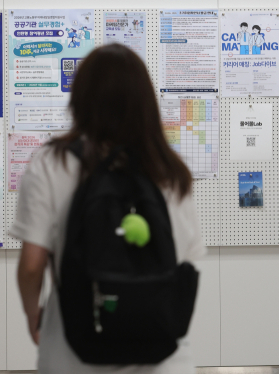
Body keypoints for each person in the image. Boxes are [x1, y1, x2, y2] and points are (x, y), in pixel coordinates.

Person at [10, 44, 205, 374]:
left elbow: (32, 266)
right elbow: (186, 264)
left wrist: (33, 314)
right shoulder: (170, 170)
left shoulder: (52, 162)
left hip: (73, 354)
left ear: (80, 99)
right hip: (162, 357)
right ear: (146, 102)